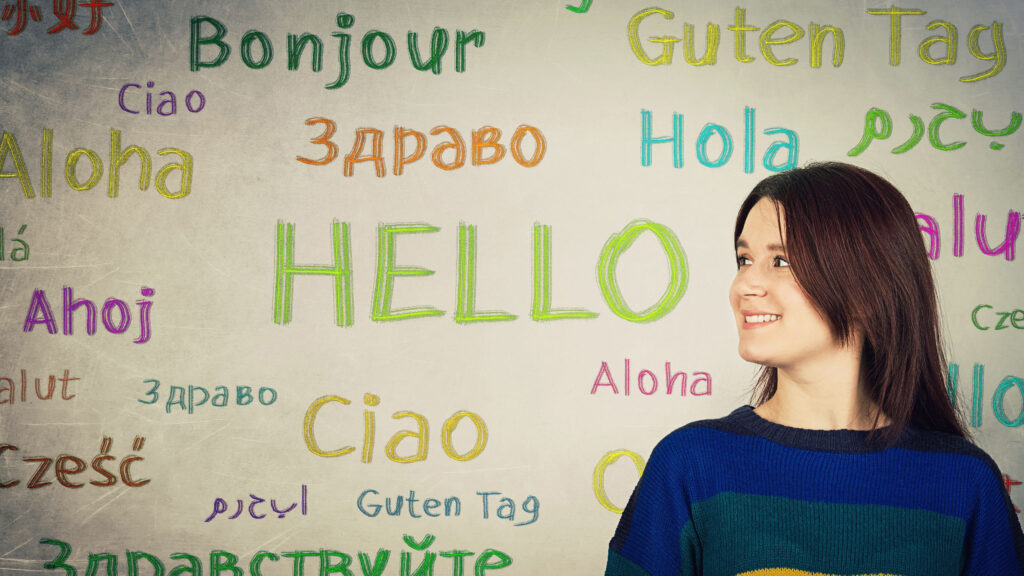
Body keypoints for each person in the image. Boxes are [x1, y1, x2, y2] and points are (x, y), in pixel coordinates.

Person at [605, 162, 1024, 576]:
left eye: (781, 260)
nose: (745, 285)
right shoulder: (688, 466)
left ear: (868, 289)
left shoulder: (966, 483)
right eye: (744, 259)